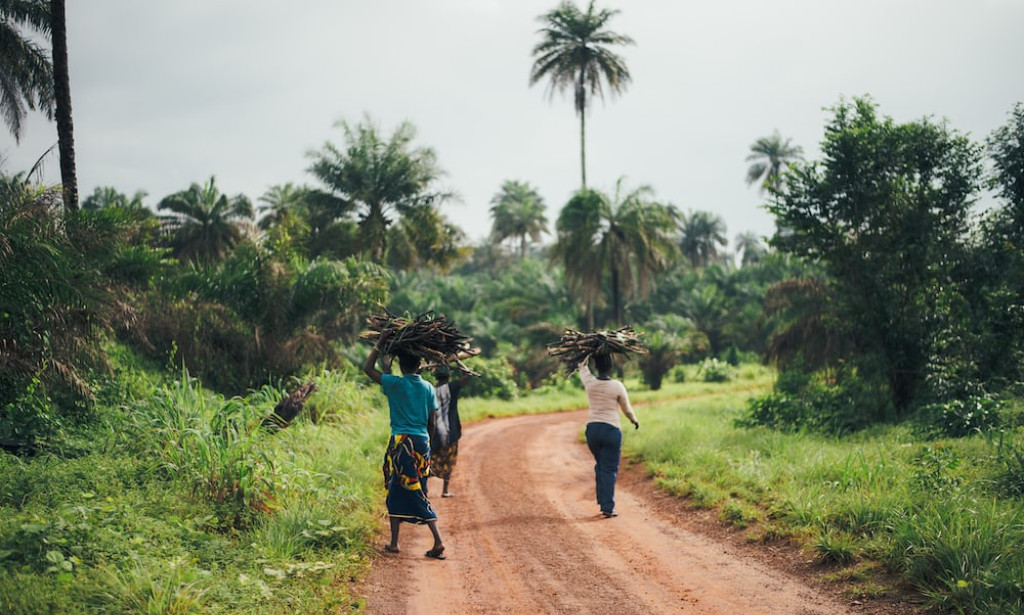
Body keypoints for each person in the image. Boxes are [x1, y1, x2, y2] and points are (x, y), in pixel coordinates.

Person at [363, 336, 446, 560]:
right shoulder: (428, 387)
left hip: (401, 443)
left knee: (404, 490)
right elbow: (432, 421)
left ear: (401, 365)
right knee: (410, 489)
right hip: (421, 443)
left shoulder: (395, 383)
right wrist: (428, 446)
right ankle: (394, 542)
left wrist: (378, 346)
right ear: (420, 365)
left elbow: (367, 368)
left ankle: (436, 540)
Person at [578, 352, 639, 518]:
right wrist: (634, 420)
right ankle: (607, 506)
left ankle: (602, 500)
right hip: (611, 431)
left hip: (593, 431)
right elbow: (626, 409)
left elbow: (581, 367)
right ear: (611, 367)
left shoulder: (590, 382)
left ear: (596, 366)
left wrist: (587, 352)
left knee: (601, 466)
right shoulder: (617, 386)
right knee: (609, 468)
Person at [430, 365, 471, 498]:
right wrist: (459, 364)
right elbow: (467, 375)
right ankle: (445, 490)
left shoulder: (431, 390)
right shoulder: (452, 387)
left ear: (436, 378)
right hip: (451, 431)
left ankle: (423, 489)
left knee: (432, 460)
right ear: (448, 377)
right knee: (449, 460)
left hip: (434, 432)